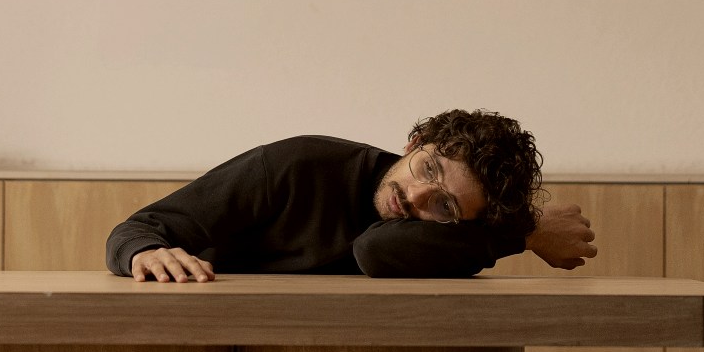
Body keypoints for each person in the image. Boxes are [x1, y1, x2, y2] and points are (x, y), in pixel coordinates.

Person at [105, 109, 596, 282]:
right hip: (209, 332)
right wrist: (146, 252)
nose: (417, 196)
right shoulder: (297, 165)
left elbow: (376, 251)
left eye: (445, 205)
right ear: (413, 143)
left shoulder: (437, 240)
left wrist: (519, 232)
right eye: (427, 168)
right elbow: (133, 230)